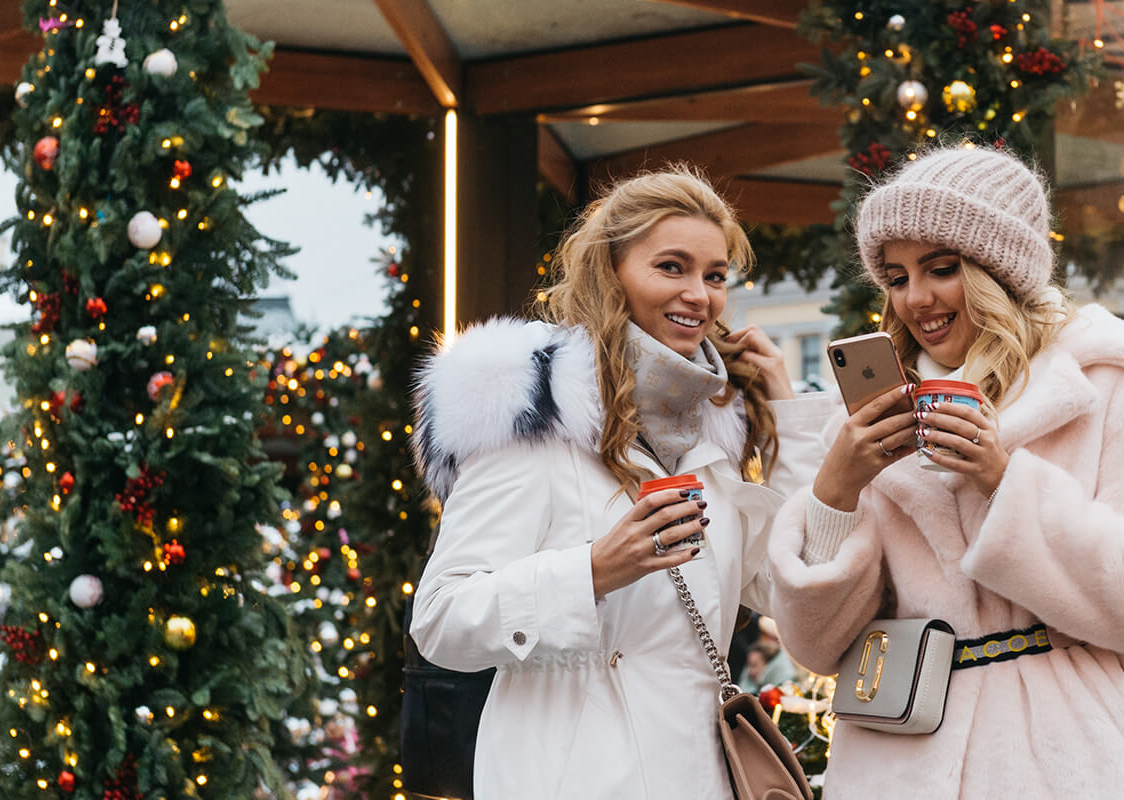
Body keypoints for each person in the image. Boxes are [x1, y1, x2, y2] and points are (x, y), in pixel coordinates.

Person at [409, 165, 832, 798]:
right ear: (611, 273)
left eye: (715, 275)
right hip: (572, 776)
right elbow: (440, 619)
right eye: (671, 267)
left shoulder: (709, 433)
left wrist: (788, 412)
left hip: (700, 775)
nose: (700, 294)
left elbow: (786, 585)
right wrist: (595, 571)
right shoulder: (535, 419)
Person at [767, 145, 1124, 797]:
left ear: (998, 270)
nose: (916, 299)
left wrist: (1003, 479)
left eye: (940, 268)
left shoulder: (1100, 383)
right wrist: (836, 489)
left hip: (1067, 759)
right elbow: (814, 647)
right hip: (900, 758)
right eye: (897, 277)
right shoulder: (870, 421)